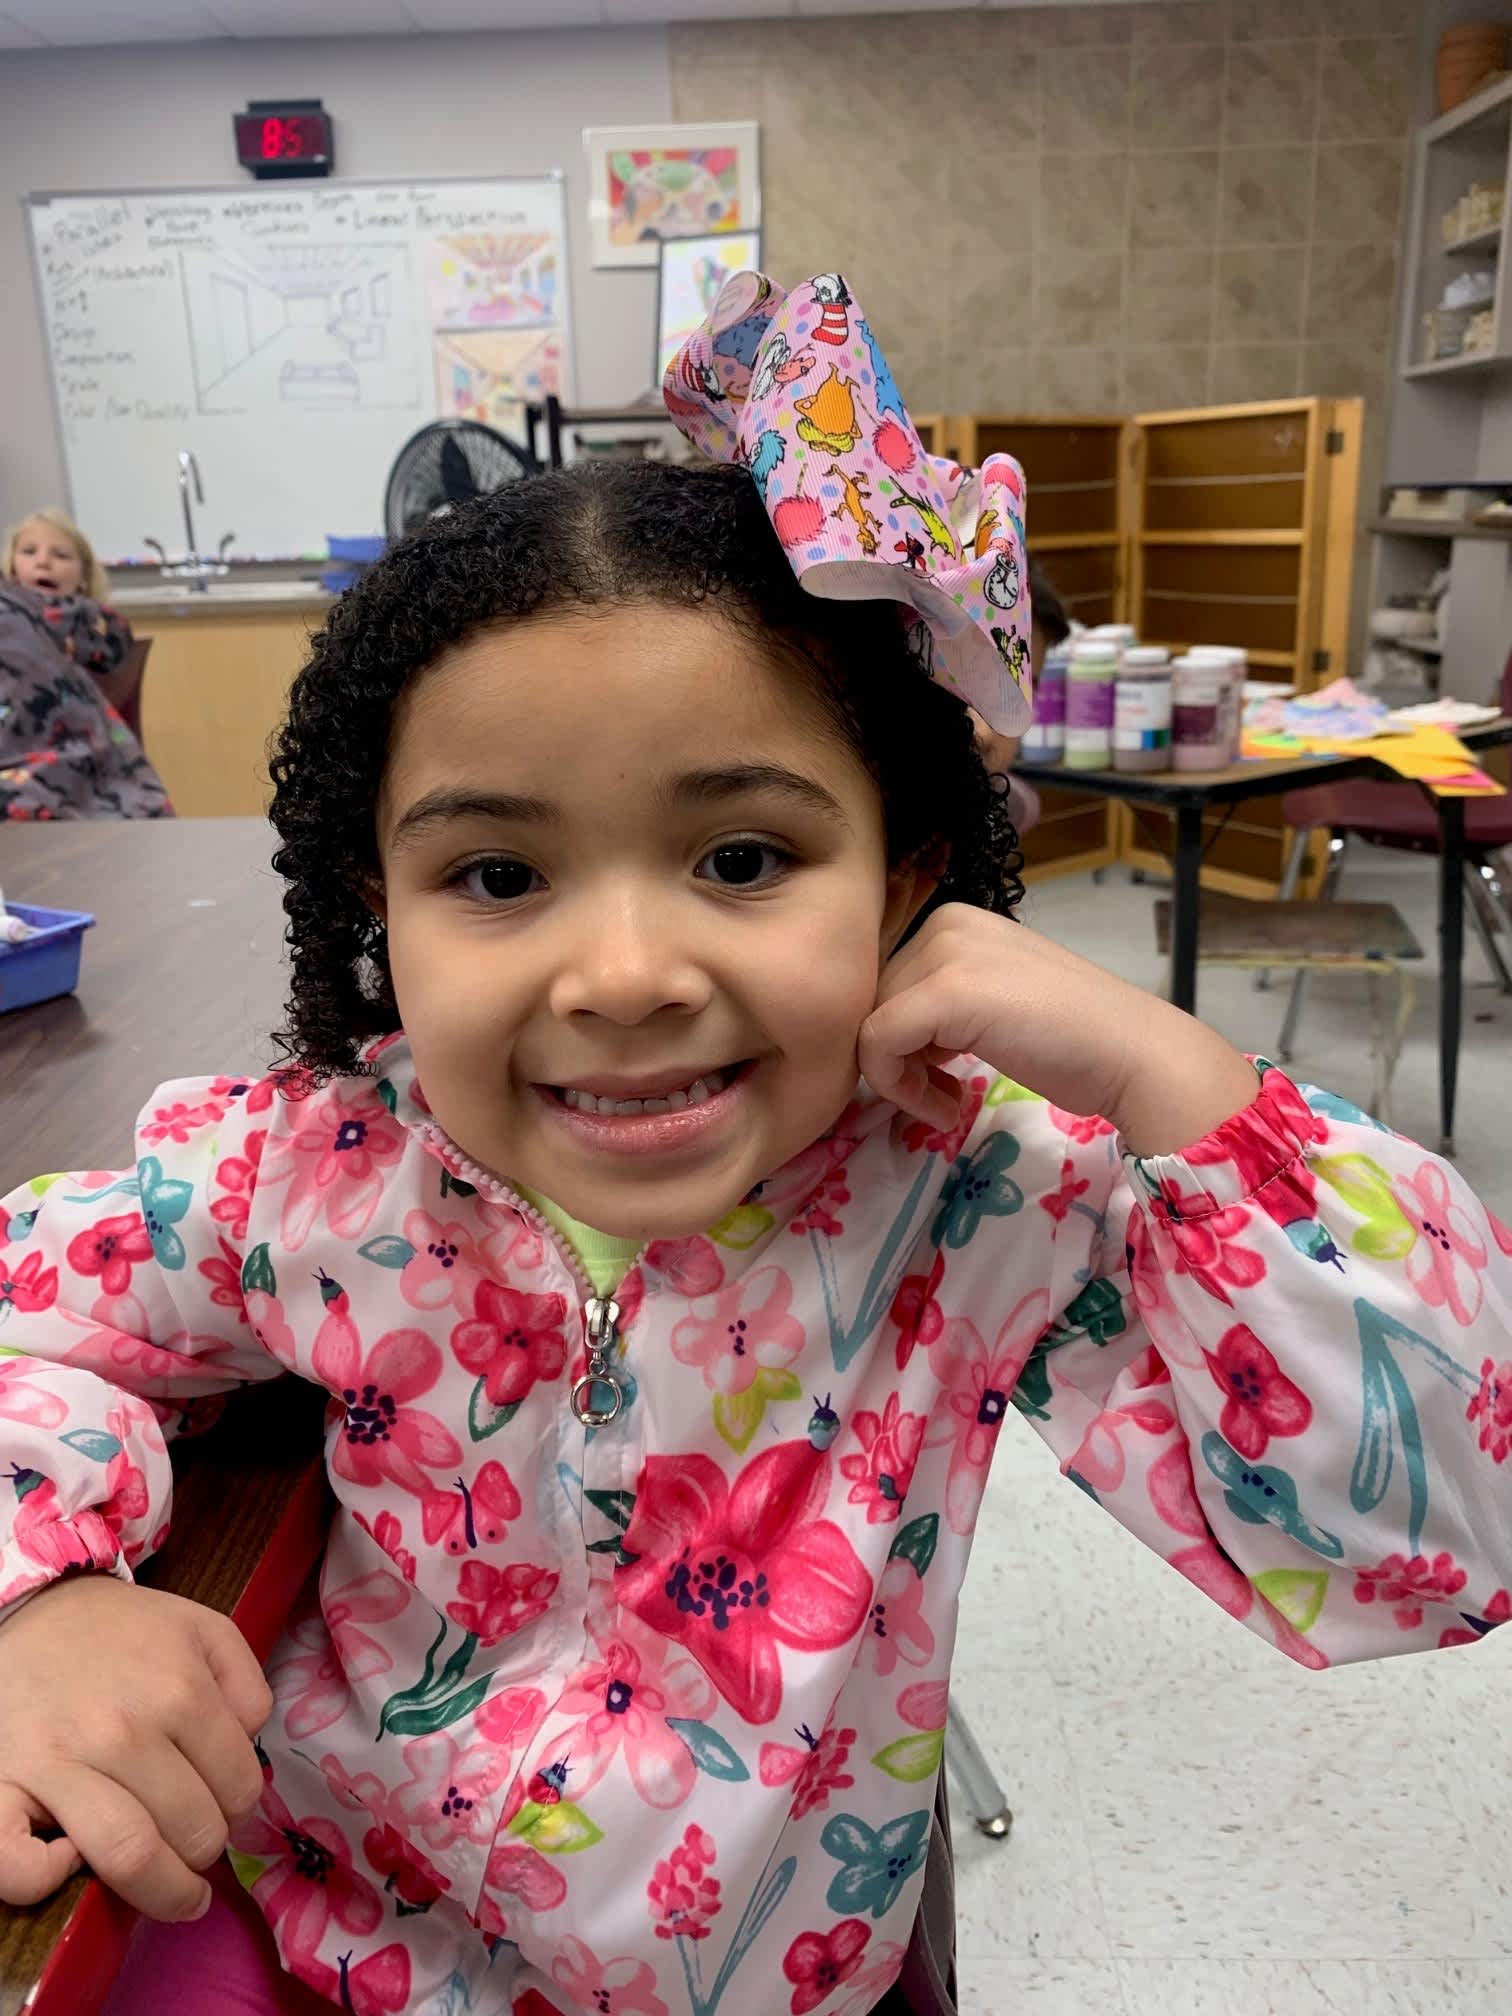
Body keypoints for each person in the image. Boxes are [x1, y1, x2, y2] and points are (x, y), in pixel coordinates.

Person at [0, 274, 1507, 2016]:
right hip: (355, 1957)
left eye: (741, 860)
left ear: (908, 877)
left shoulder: (974, 1196)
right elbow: (27, 1312)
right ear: (379, 906)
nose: (626, 975)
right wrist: (41, 1598)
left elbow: (1429, 1537)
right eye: (497, 874)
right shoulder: (311, 1175)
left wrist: (1163, 1071)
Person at [0, 508, 170, 819]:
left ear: (84, 578)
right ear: (10, 569)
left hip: (55, 758)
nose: (43, 562)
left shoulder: (89, 622)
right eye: (29, 551)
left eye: (61, 555)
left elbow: (111, 643)